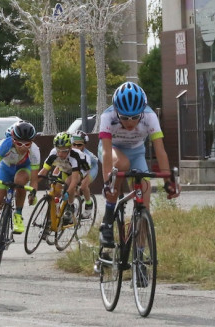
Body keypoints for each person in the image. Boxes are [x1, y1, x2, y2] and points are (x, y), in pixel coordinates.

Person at [99, 81, 179, 248]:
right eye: (124, 117)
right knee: (121, 164)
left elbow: (160, 151)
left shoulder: (150, 117)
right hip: (113, 150)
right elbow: (106, 152)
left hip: (136, 152)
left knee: (145, 202)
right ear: (116, 112)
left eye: (135, 117)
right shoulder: (107, 116)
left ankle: (140, 256)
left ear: (142, 112)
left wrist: (168, 182)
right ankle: (107, 220)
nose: (130, 122)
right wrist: (108, 182)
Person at [0, 121, 40, 261]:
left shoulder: (35, 151)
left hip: (23, 169)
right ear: (13, 140)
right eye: (19, 144)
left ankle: (18, 214)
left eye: (27, 144)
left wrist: (33, 192)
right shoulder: (5, 145)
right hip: (5, 169)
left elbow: (34, 180)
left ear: (32, 142)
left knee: (20, 181)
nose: (23, 147)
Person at [38, 131, 90, 225]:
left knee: (69, 182)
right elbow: (43, 171)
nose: (61, 153)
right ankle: (51, 220)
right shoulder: (53, 153)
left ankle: (70, 206)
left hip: (82, 170)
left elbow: (74, 180)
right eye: (59, 150)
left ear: (70, 148)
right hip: (66, 169)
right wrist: (33, 185)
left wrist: (67, 193)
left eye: (64, 151)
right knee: (56, 189)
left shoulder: (75, 156)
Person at [71, 130, 99, 219]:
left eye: (79, 145)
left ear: (84, 145)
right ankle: (74, 205)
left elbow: (86, 170)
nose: (76, 147)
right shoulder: (69, 152)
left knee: (83, 186)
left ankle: (88, 205)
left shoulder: (87, 156)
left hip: (91, 168)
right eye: (74, 144)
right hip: (79, 168)